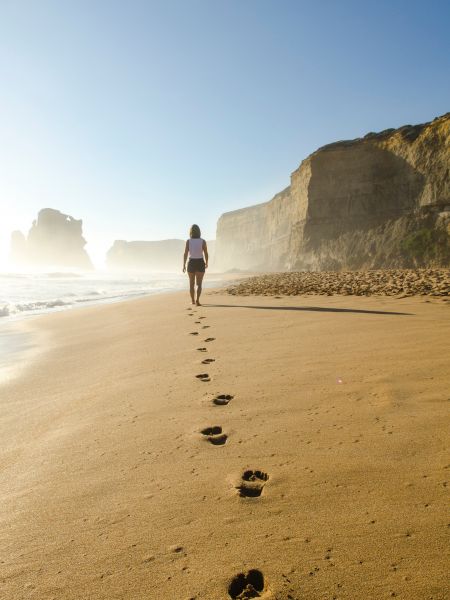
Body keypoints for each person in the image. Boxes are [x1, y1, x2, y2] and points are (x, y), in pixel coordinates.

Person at [183, 224, 208, 306]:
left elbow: (185, 253)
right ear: (199, 232)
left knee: (191, 284)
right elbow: (206, 253)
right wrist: (206, 262)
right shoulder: (203, 241)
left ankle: (193, 300)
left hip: (191, 262)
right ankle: (197, 300)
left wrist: (183, 265)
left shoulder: (188, 241)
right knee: (199, 284)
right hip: (200, 262)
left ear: (191, 232)